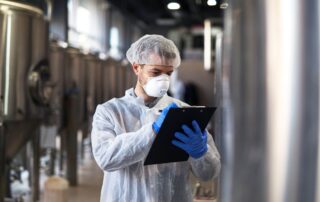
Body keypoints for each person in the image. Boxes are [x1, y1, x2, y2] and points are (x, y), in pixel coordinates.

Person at [91, 34, 221, 202]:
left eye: (169, 73)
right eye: (156, 72)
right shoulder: (110, 112)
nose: (163, 79)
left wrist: (201, 153)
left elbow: (209, 174)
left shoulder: (184, 112)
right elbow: (106, 159)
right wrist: (153, 130)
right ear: (136, 68)